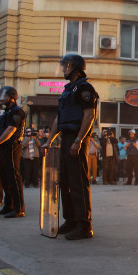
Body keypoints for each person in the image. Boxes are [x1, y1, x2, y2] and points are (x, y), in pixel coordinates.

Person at [43, 54, 98, 240]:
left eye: (65, 66)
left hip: (77, 137)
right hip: (66, 137)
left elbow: (89, 115)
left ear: (75, 68)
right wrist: (49, 140)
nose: (63, 69)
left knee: (78, 182)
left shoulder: (85, 88)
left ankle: (84, 225)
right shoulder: (67, 90)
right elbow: (60, 118)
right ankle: (71, 220)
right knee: (65, 181)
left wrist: (79, 140)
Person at [0, 86, 26, 218]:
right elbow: (0, 131)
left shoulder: (16, 111)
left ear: (11, 97)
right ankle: (8, 205)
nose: (1, 98)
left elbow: (11, 129)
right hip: (3, 146)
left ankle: (19, 208)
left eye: (4, 96)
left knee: (13, 177)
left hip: (12, 146)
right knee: (5, 177)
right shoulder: (6, 112)